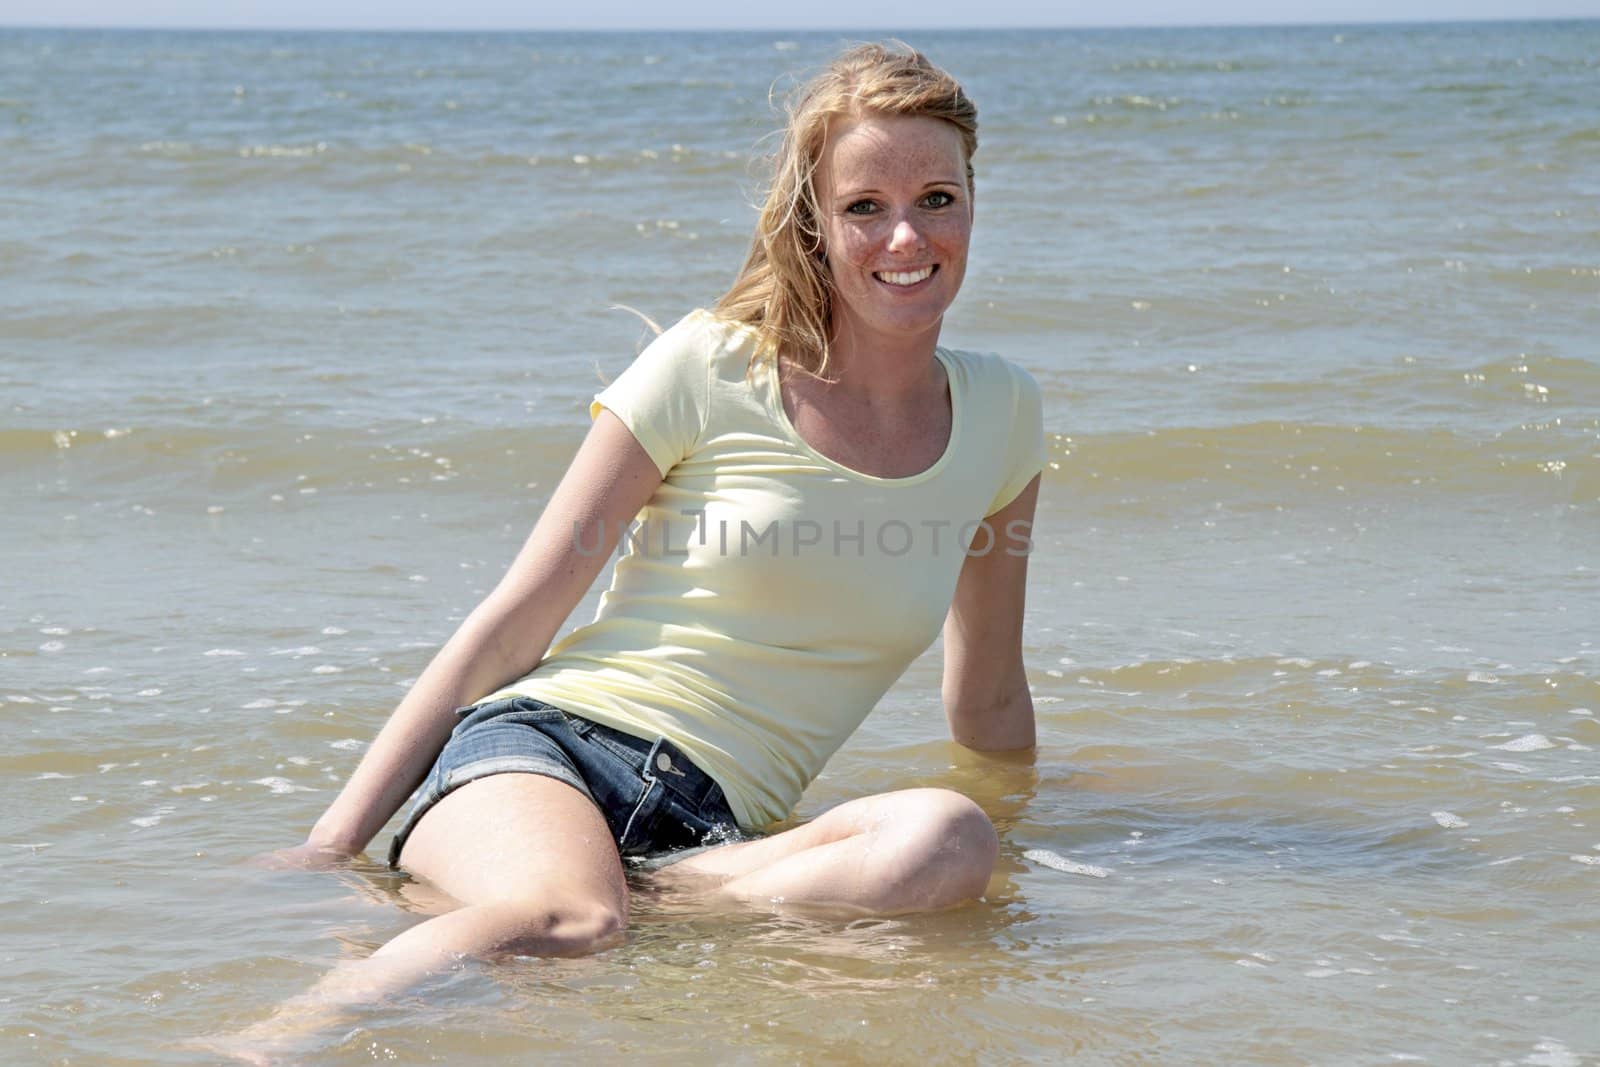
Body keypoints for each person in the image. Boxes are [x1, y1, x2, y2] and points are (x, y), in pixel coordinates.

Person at [228, 40, 1044, 1057]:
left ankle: (636, 891)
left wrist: (1044, 828)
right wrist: (332, 841)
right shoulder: (708, 365)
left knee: (948, 840)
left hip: (718, 843)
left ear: (972, 203)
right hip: (546, 755)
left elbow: (991, 692)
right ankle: (257, 1045)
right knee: (575, 918)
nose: (906, 235)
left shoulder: (1004, 413)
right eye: (865, 206)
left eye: (937, 196)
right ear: (817, 223)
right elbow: (519, 613)